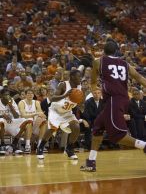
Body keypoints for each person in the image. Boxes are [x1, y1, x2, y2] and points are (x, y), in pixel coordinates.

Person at [80, 41, 146, 172]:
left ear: (103, 50)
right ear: (117, 51)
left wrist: (95, 87)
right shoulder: (126, 64)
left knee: (117, 135)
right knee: (97, 128)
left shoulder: (99, 61)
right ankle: (91, 162)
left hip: (114, 100)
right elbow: (139, 77)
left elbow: (93, 81)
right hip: (119, 99)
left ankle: (144, 145)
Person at [37, 70, 81, 159]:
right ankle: (40, 147)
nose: (80, 78)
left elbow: (79, 101)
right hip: (56, 111)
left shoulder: (79, 87)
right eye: (78, 77)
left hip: (67, 112)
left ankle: (69, 148)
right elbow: (53, 98)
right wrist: (65, 95)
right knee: (52, 129)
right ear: (72, 77)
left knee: (76, 126)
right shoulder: (63, 85)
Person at [0, 89, 32, 155]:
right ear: (1, 95)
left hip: (11, 122)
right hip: (2, 124)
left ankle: (14, 144)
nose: (7, 96)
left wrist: (11, 106)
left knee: (26, 121)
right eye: (5, 95)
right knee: (1, 121)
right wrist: (2, 115)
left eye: (8, 95)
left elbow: (16, 116)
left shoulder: (11, 101)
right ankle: (2, 145)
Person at [18, 89, 47, 154]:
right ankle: (27, 145)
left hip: (34, 124)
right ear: (25, 95)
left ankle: (40, 145)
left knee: (44, 122)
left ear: (33, 95)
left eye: (31, 93)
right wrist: (35, 114)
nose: (30, 95)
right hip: (23, 125)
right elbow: (23, 115)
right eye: (28, 93)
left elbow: (40, 113)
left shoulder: (36, 102)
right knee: (29, 121)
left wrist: (43, 115)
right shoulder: (21, 102)